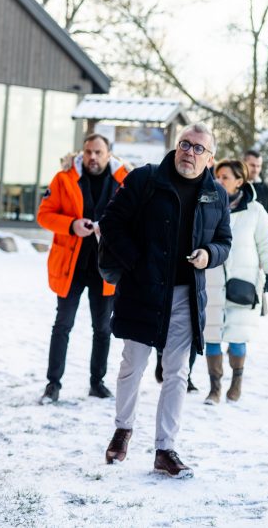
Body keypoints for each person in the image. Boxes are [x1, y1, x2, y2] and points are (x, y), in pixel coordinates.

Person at [99, 123, 231, 478]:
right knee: (133, 364)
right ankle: (123, 428)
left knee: (177, 372)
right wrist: (135, 261)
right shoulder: (146, 180)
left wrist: (209, 255)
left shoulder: (216, 195)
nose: (189, 151)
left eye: (198, 147)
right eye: (184, 144)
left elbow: (224, 242)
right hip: (144, 290)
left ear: (210, 157)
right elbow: (111, 223)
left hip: (187, 296)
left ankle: (165, 448)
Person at [37, 133, 128, 403]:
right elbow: (44, 214)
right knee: (62, 324)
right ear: (82, 152)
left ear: (109, 154)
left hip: (106, 269)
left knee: (102, 328)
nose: (93, 157)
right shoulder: (63, 178)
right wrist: (71, 225)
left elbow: (135, 219)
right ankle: (53, 384)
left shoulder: (125, 181)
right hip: (71, 266)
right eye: (89, 151)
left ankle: (96, 382)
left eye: (99, 152)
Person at [202, 159, 268, 405]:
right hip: (210, 282)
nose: (219, 181)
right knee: (211, 336)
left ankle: (236, 381)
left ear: (239, 181)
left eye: (225, 177)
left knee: (237, 338)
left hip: (242, 283)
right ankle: (214, 388)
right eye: (217, 176)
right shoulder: (205, 205)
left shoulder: (255, 211)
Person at [243, 149, 268, 216]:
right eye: (252, 165)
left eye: (258, 166)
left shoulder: (264, 190)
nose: (256, 169)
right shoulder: (234, 183)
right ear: (244, 164)